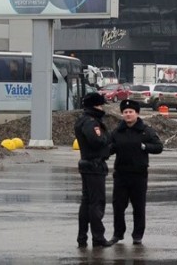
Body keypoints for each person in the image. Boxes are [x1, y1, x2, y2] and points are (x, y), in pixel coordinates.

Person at [109, 99, 163, 246]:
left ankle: (137, 235)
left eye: (130, 112)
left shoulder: (145, 130)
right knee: (118, 206)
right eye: (125, 112)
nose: (128, 115)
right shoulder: (117, 132)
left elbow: (158, 147)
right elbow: (109, 148)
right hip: (121, 174)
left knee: (138, 207)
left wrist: (145, 147)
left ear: (137, 113)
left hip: (139, 175)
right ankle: (118, 234)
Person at [74, 92, 113, 249]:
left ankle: (82, 237)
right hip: (94, 166)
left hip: (88, 165)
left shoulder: (83, 120)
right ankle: (98, 237)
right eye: (100, 104)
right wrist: (108, 138)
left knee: (86, 202)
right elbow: (97, 141)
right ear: (95, 105)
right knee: (96, 203)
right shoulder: (92, 122)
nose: (102, 107)